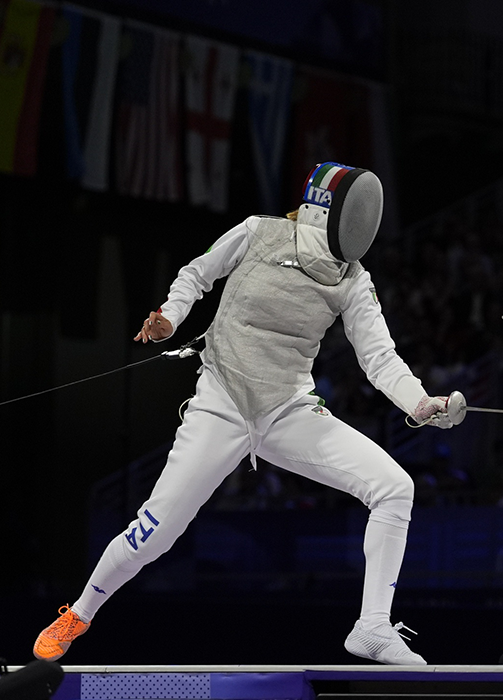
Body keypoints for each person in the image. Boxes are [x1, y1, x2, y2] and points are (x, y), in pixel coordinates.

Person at [33, 163, 465, 665]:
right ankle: (80, 614)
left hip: (288, 409)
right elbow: (199, 272)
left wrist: (420, 403)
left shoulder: (352, 279)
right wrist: (170, 317)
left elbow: (379, 357)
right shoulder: (260, 232)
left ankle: (372, 627)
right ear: (326, 211)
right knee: (155, 533)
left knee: (395, 488)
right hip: (222, 403)